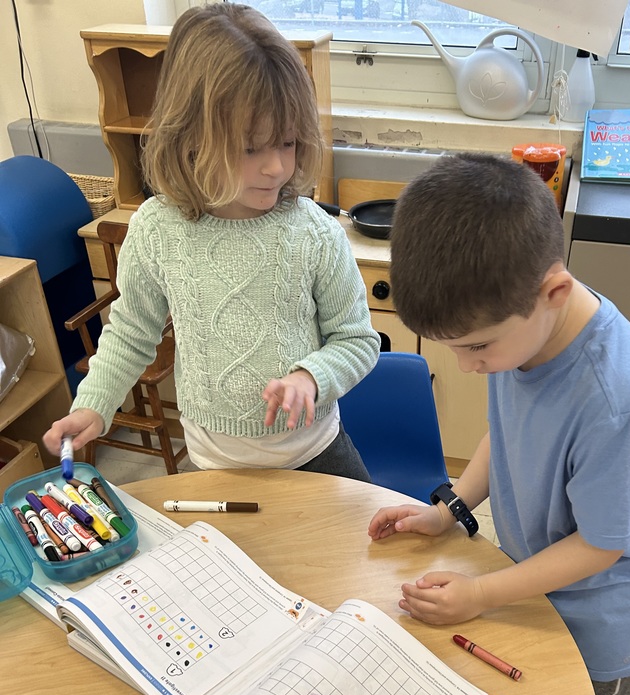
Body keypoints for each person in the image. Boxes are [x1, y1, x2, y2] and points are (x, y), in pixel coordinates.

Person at [367, 152, 630, 695]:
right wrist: (450, 508)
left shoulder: (617, 399)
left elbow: (604, 545)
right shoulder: (522, 327)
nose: (468, 366)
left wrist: (483, 595)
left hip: (612, 610)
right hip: (542, 578)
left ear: (553, 290)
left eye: (478, 348)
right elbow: (503, 430)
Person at [43, 4, 379, 479]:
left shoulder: (315, 233)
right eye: (249, 148)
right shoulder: (156, 230)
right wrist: (95, 406)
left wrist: (312, 376)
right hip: (211, 461)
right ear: (191, 138)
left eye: (287, 142)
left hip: (317, 453)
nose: (277, 168)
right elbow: (130, 334)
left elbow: (357, 340)